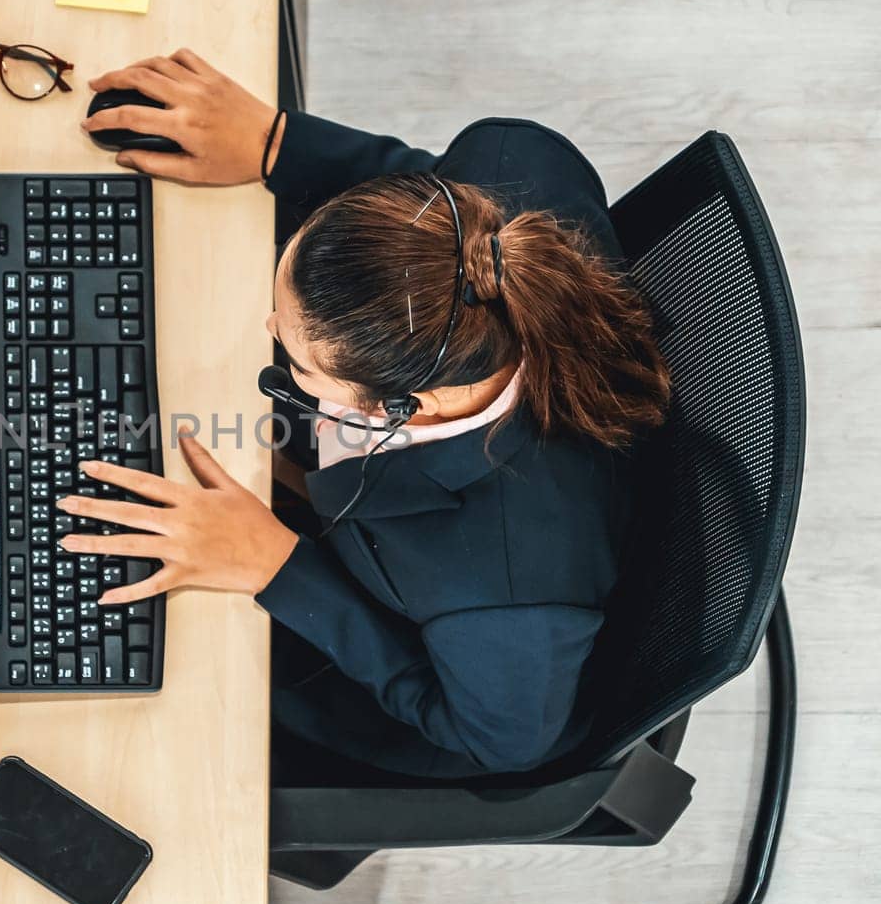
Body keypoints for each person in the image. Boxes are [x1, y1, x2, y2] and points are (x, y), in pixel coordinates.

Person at [57, 49, 670, 778]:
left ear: (398, 409)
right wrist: (275, 145)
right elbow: (419, 222)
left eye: (298, 361)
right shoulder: (513, 166)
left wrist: (277, 565)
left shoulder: (504, 604)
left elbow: (501, 742)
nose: (270, 335)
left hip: (410, 666)